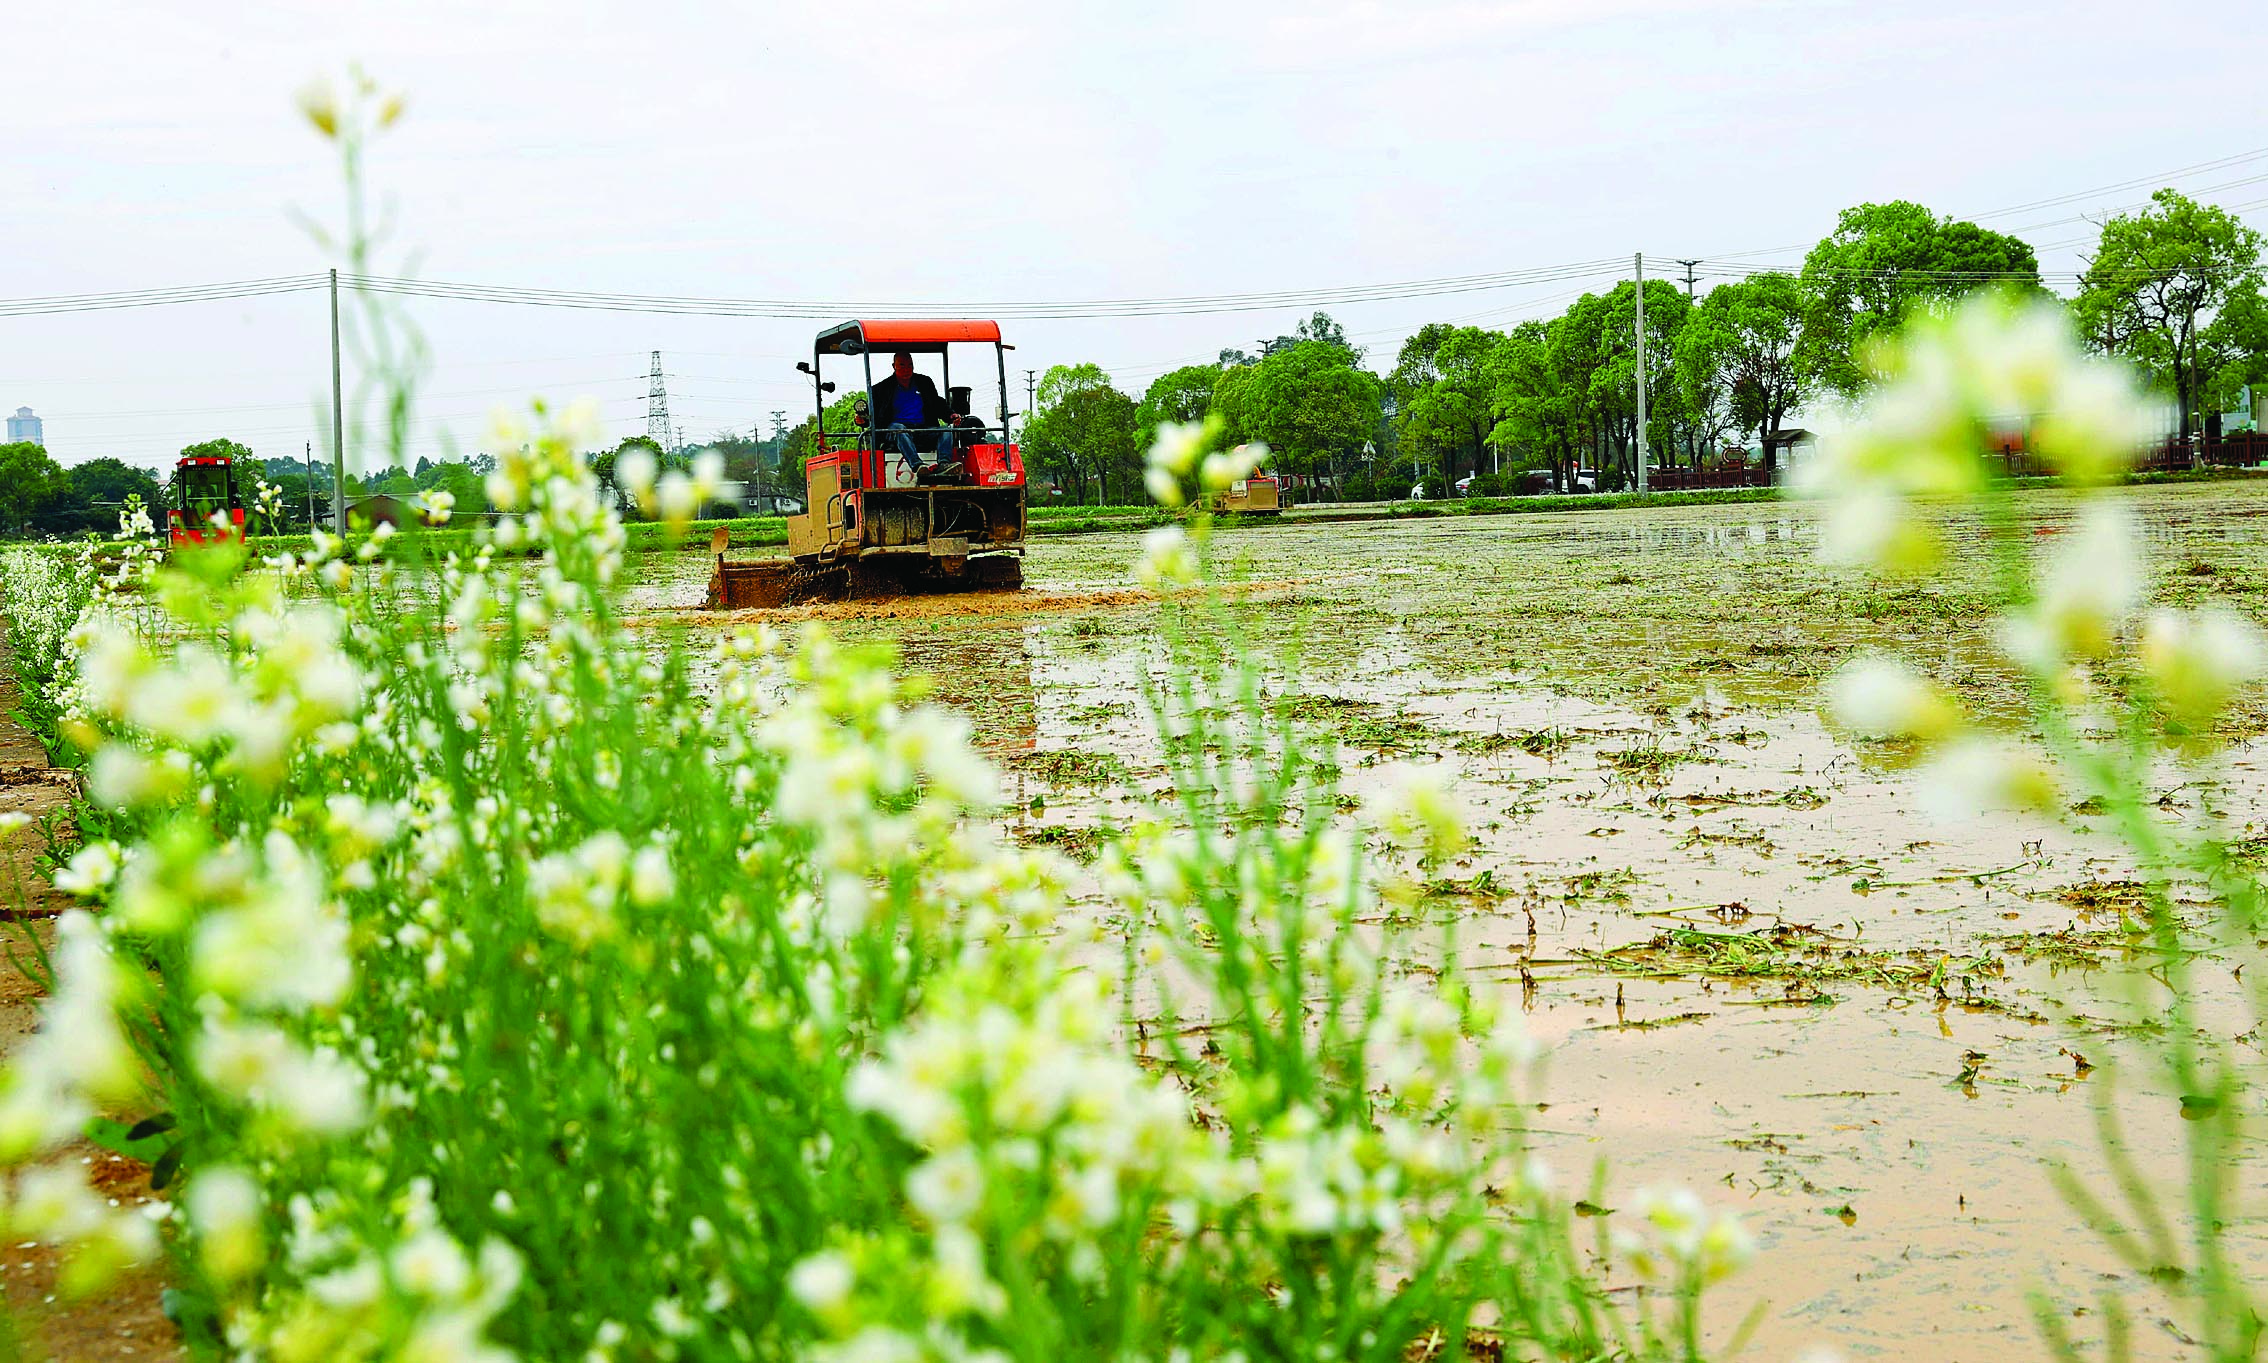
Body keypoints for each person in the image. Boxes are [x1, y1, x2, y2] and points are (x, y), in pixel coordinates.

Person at [869, 350, 952, 475]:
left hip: (923, 429)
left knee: (946, 430)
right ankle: (918, 465)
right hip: (896, 431)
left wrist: (951, 415)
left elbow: (937, 403)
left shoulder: (924, 382)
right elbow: (872, 415)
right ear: (894, 366)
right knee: (898, 428)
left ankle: (944, 464)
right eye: (902, 365)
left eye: (910, 365)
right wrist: (862, 420)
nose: (906, 369)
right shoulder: (881, 389)